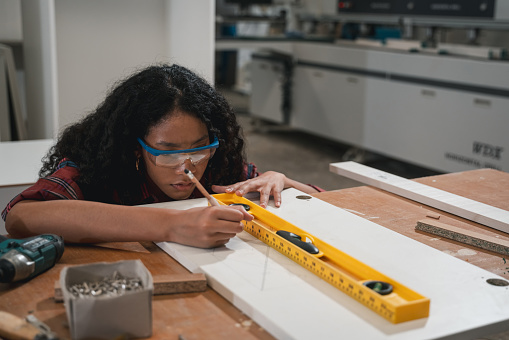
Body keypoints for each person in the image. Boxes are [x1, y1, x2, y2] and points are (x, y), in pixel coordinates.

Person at [2, 64, 322, 248]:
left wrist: (281, 179)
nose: (188, 167)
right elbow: (20, 219)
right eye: (168, 152)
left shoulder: (219, 169)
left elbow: (329, 204)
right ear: (134, 146)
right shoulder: (97, 172)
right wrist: (169, 225)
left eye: (200, 148)